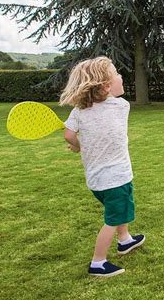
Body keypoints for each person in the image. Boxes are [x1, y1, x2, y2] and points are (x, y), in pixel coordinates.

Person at [59, 57, 145, 277]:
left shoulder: (79, 111)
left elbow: (69, 134)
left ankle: (125, 240)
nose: (121, 76)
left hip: (96, 181)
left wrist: (78, 146)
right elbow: (112, 103)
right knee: (114, 217)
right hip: (116, 178)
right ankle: (98, 262)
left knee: (118, 209)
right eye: (116, 74)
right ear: (106, 86)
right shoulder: (121, 106)